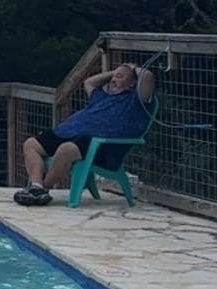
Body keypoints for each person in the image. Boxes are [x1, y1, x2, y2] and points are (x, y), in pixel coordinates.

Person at [14, 58, 156, 207]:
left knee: (66, 149)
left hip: (101, 144)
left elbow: (147, 75)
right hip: (69, 133)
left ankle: (43, 189)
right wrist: (116, 73)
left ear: (132, 83)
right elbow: (89, 82)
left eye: (119, 77)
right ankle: (36, 186)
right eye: (113, 77)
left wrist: (132, 69)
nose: (113, 80)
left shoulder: (137, 101)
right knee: (31, 144)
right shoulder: (101, 96)